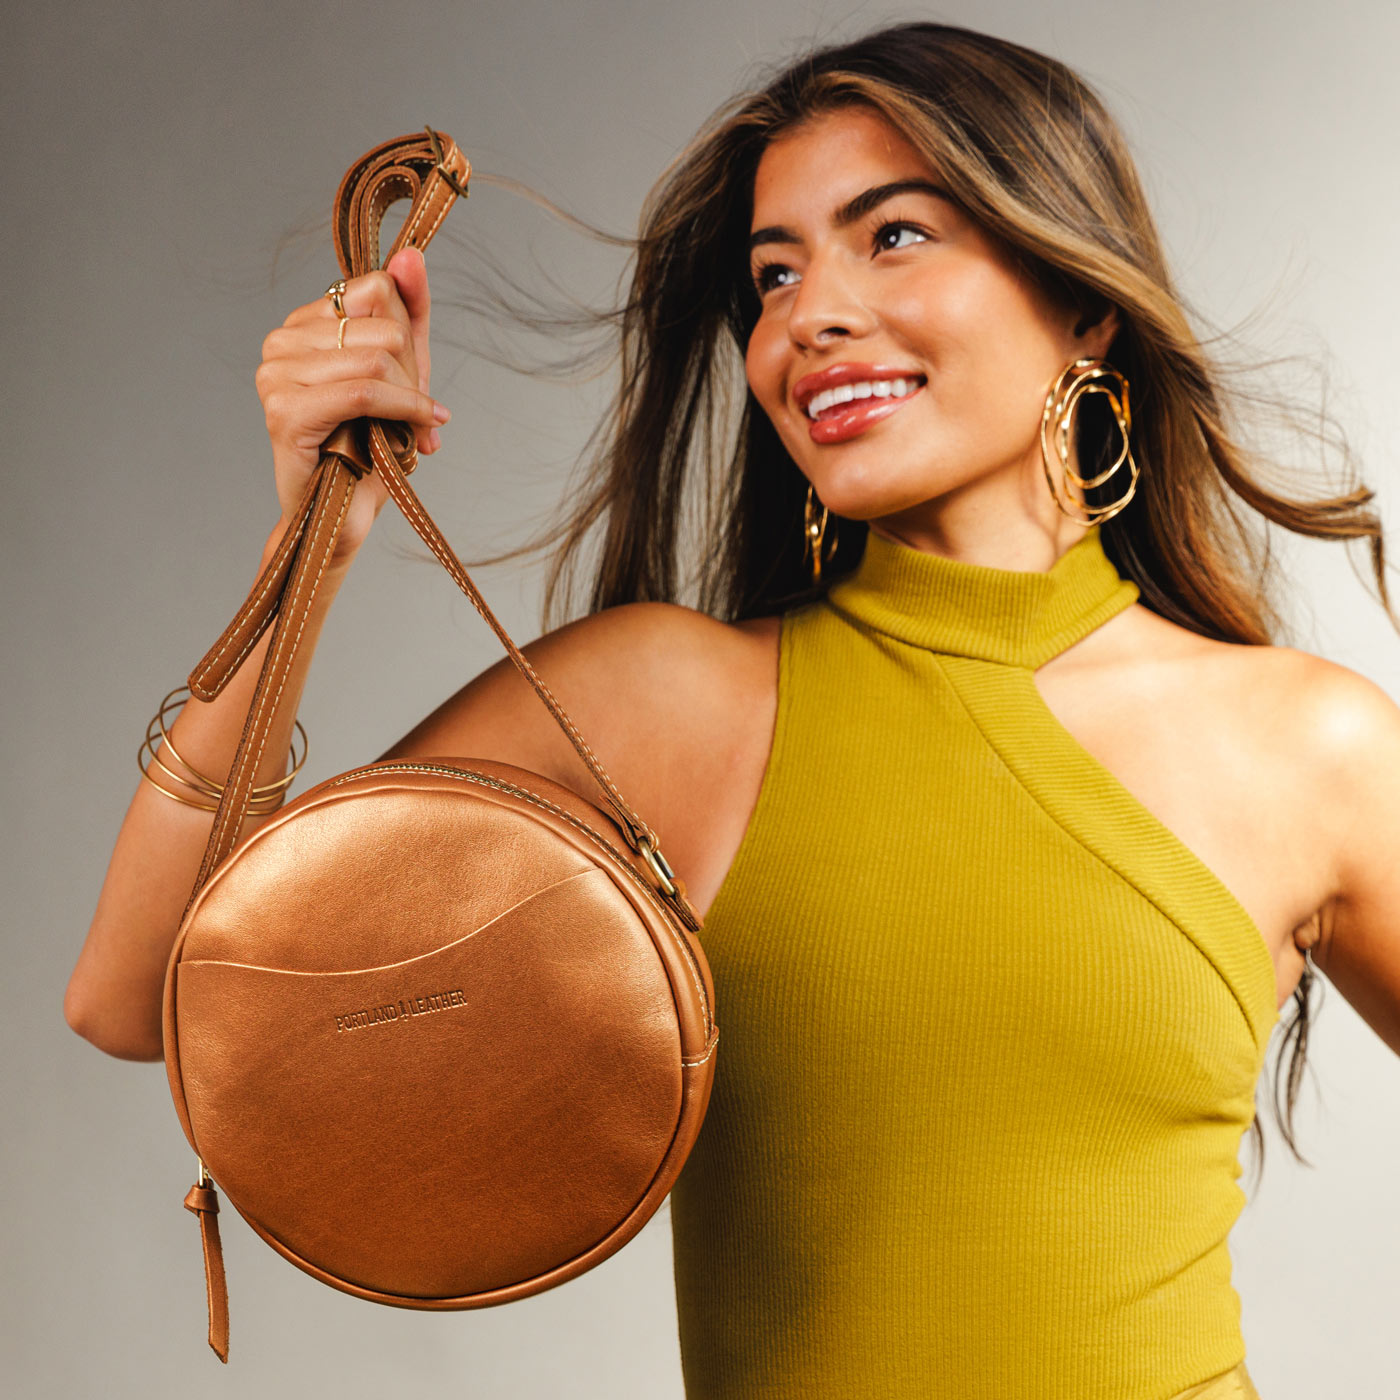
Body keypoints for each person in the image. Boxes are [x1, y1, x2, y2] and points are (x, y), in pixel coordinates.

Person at [64, 20, 1400, 1400]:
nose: (809, 315)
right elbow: (138, 995)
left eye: (894, 236)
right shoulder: (669, 703)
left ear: (1081, 299)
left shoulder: (1310, 747)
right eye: (774, 273)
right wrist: (312, 542)